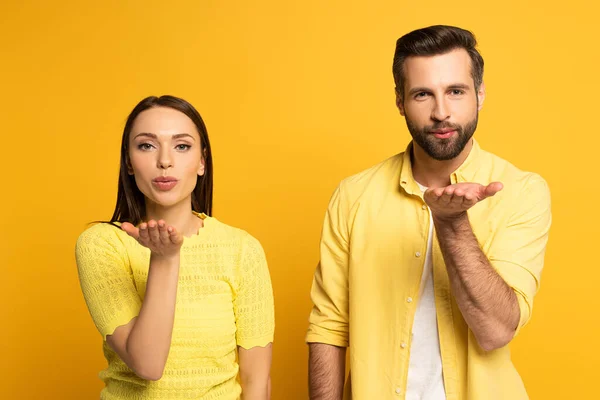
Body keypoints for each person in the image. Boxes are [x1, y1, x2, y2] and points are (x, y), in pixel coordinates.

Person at [306, 25, 551, 400]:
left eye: (456, 91)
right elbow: (328, 328)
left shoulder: (521, 191)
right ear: (400, 102)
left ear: (480, 95)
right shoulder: (354, 195)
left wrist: (452, 224)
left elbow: (497, 330)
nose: (441, 112)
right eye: (423, 94)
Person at [75, 95, 274, 399]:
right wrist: (165, 259)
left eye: (181, 146)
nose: (164, 161)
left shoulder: (242, 249)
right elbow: (148, 364)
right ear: (129, 162)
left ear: (202, 161)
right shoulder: (101, 245)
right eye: (147, 145)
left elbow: (257, 379)